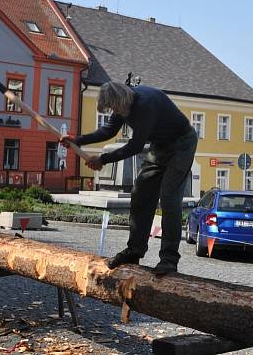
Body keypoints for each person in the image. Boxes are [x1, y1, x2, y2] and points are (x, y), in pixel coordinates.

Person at [63, 82, 197, 273]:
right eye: (112, 109)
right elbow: (108, 131)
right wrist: (77, 140)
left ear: (122, 99)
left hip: (182, 144)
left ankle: (169, 259)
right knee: (140, 193)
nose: (115, 111)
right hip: (159, 146)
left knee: (169, 198)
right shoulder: (121, 105)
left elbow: (135, 146)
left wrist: (103, 159)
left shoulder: (145, 104)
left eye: (115, 107)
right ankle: (135, 251)